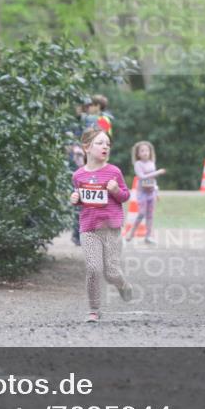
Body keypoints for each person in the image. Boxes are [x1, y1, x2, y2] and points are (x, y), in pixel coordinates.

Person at [70, 127, 133, 322]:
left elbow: (125, 195)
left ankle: (123, 285)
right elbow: (84, 200)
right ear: (87, 148)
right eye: (100, 143)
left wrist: (115, 190)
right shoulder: (78, 175)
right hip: (88, 229)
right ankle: (94, 309)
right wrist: (76, 199)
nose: (105, 146)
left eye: (107, 143)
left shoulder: (114, 172)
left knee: (112, 272)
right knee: (93, 268)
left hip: (111, 229)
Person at [126, 140, 166, 245]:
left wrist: (156, 191)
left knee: (150, 215)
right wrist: (157, 172)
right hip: (142, 193)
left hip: (151, 193)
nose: (145, 152)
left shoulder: (152, 163)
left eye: (147, 150)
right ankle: (132, 232)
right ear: (138, 154)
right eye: (142, 151)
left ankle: (148, 236)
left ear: (150, 152)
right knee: (141, 213)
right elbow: (142, 177)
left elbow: (153, 179)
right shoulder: (138, 164)